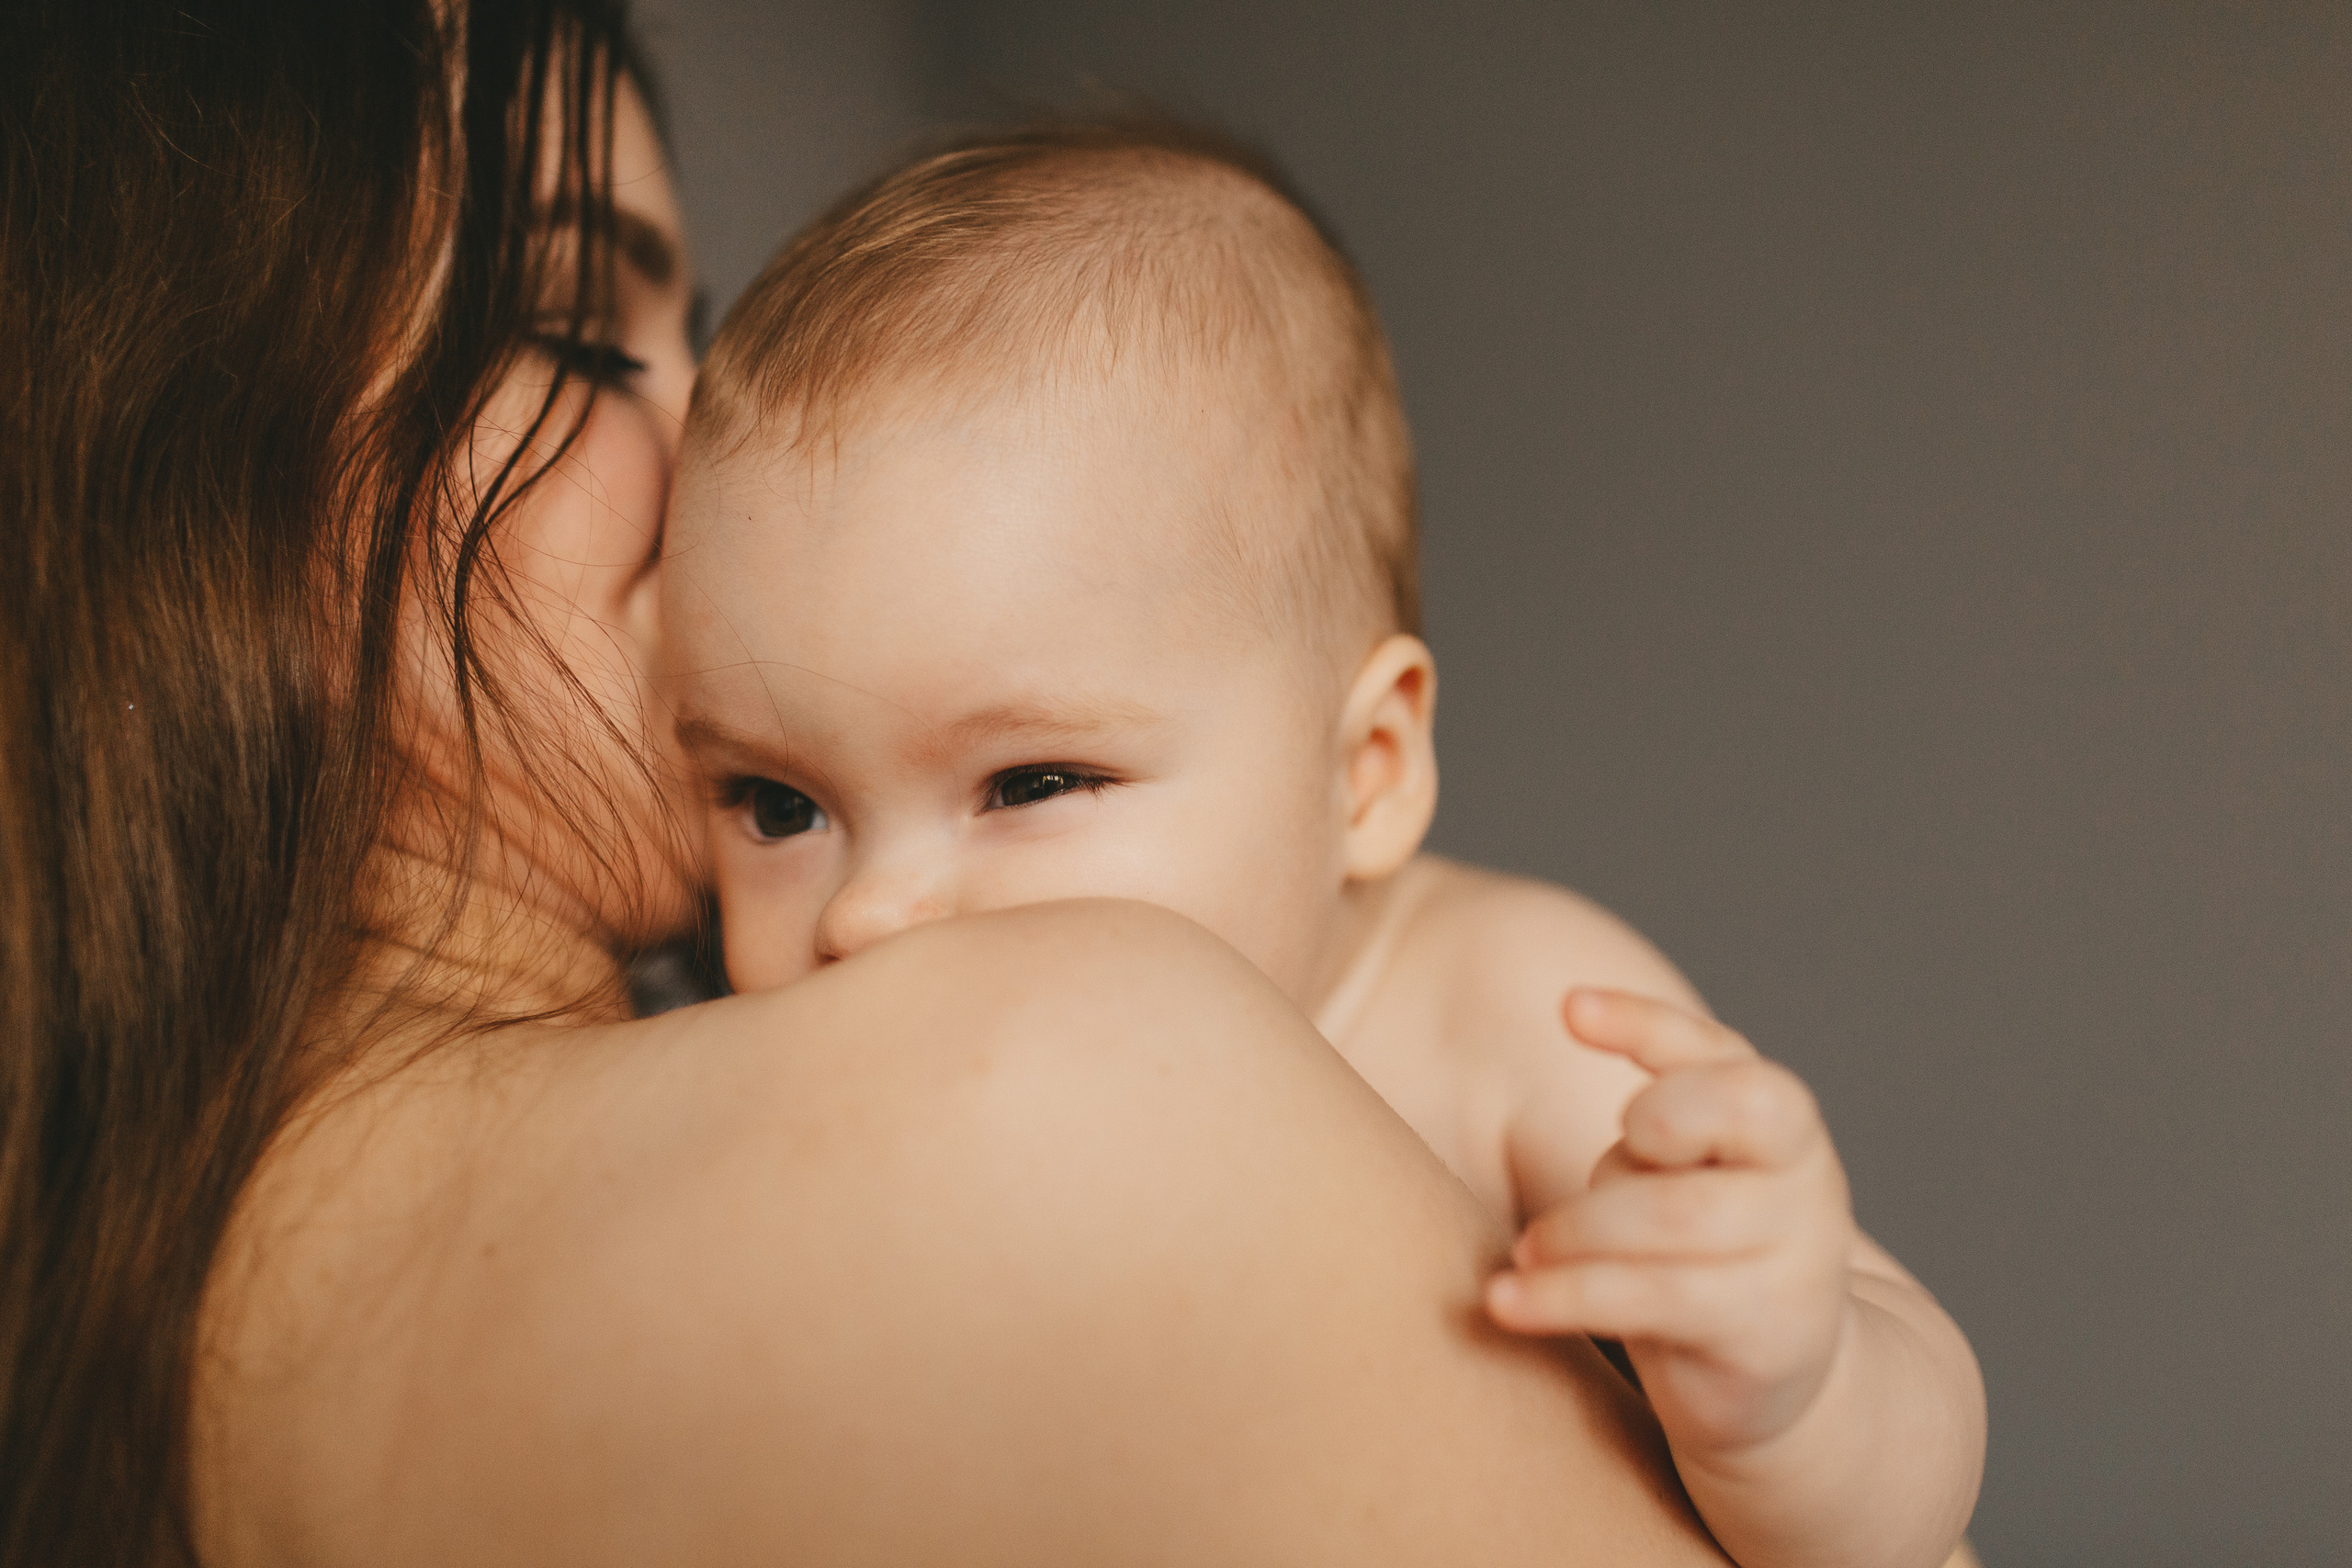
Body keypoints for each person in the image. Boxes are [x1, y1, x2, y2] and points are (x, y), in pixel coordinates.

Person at [5, 3, 1749, 1563]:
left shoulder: (110, 1341)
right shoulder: (1061, 1084)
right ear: (175, 453)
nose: (732, 464)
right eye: (580, 330)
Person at [665, 126, 1985, 1568]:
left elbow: (1911, 1486)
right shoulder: (816, 1126)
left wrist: (1792, 1393)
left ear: (1364, 774)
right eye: (778, 805)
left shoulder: (1496, 1013)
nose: (867, 915)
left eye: (1031, 779)